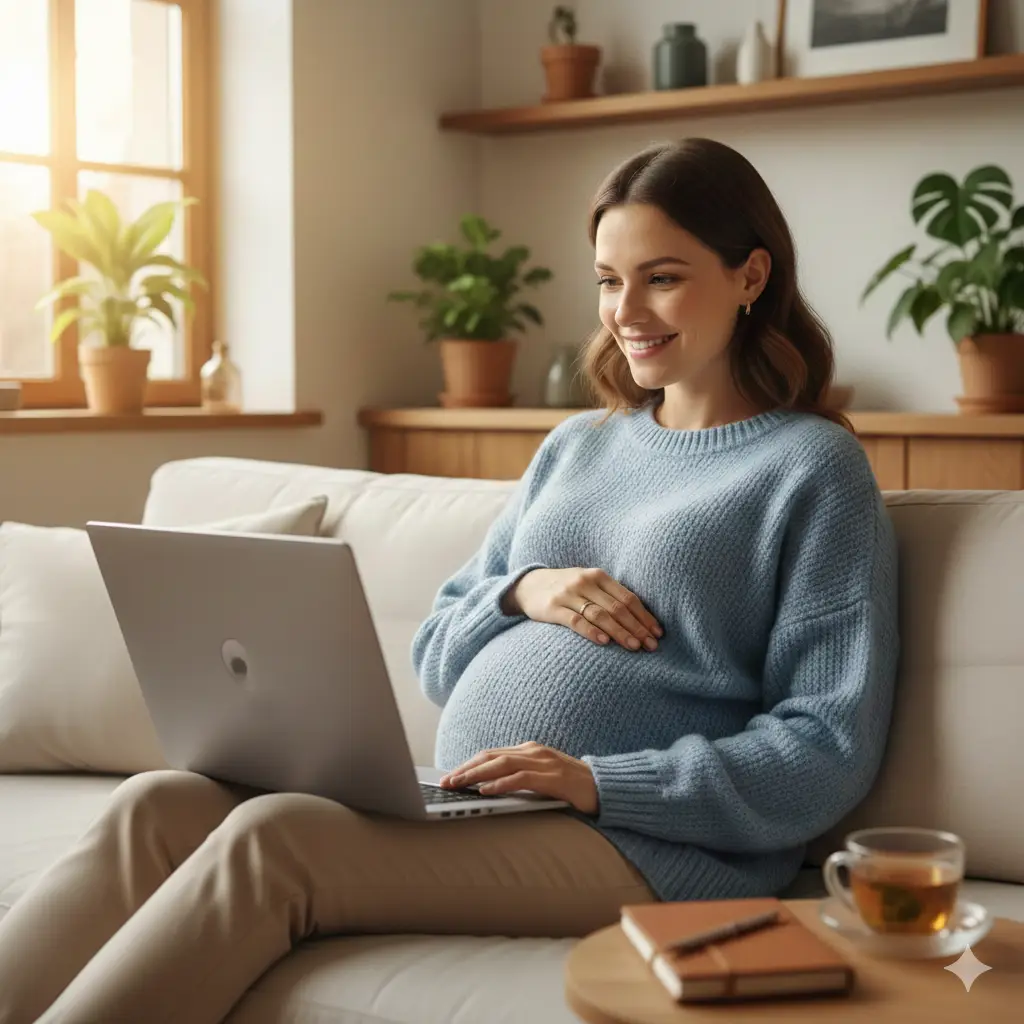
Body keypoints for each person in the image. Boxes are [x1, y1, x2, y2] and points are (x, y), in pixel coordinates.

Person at [0, 137, 899, 1024]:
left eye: (661, 276)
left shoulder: (810, 468)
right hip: (476, 801)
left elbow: (825, 748)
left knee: (275, 846)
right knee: (159, 803)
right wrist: (524, 591)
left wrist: (596, 780)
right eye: (607, 279)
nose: (626, 310)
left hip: (641, 842)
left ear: (750, 275)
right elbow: (436, 652)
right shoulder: (576, 447)